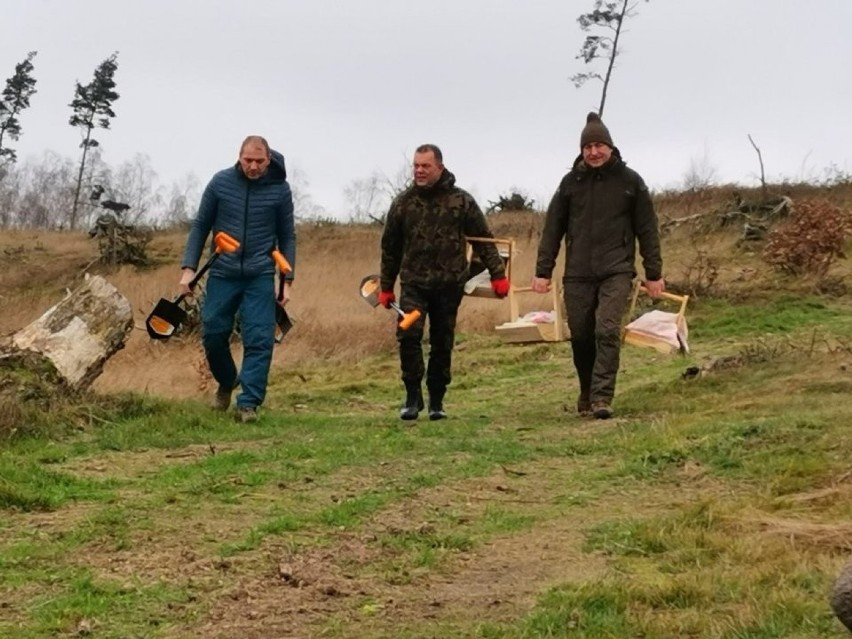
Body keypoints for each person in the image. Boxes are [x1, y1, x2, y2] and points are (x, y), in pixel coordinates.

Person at [532, 112, 664, 420]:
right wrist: (543, 270)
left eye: (599, 145)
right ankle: (587, 391)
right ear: (581, 150)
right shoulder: (570, 183)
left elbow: (647, 229)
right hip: (578, 273)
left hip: (616, 269)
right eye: (587, 146)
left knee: (606, 329)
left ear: (611, 147)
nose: (593, 152)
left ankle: (602, 397)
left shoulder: (631, 182)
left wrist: (653, 274)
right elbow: (553, 228)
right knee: (580, 335)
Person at [379, 144, 510, 421]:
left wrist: (498, 276)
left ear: (439, 167)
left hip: (449, 286)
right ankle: (412, 397)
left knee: (442, 342)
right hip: (413, 284)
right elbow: (390, 248)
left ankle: (437, 399)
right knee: (409, 337)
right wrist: (386, 286)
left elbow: (484, 241)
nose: (419, 170)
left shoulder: (461, 201)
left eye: (425, 166)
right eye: (415, 165)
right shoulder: (403, 203)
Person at [179, 135, 296, 423]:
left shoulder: (280, 190)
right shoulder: (220, 183)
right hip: (222, 271)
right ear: (239, 157)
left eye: (259, 161)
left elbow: (287, 235)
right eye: (248, 160)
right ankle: (228, 380)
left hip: (260, 274)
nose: (253, 166)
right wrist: (188, 269)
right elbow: (200, 226)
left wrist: (287, 281)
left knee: (259, 338)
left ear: (268, 160)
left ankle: (248, 403)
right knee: (213, 333)